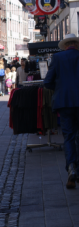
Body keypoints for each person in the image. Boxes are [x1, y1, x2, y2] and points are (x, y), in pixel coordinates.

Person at [44, 34, 79, 189]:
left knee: (69, 136)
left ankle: (71, 167)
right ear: (76, 45)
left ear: (66, 46)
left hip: (64, 103)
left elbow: (47, 82)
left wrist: (59, 89)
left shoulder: (57, 58)